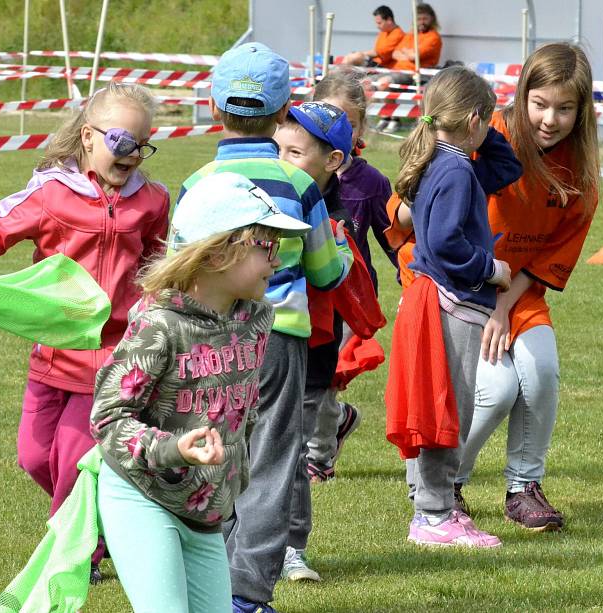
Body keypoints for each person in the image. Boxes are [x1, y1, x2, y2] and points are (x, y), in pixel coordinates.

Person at [0, 81, 170, 581]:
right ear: (88, 136)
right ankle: (105, 515)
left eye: (142, 144)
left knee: (71, 458)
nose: (133, 155)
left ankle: (75, 552)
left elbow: (160, 259)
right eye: (122, 142)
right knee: (33, 455)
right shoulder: (52, 194)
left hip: (115, 357)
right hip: (53, 354)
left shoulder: (152, 200)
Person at [178, 42, 353, 613]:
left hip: (205, 335)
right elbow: (326, 273)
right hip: (279, 339)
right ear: (284, 115)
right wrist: (345, 257)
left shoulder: (198, 181)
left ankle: (198, 572)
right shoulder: (300, 186)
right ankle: (246, 590)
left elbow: (175, 269)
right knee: (274, 457)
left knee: (210, 450)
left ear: (211, 105)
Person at [91, 172, 310, 613]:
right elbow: (107, 418)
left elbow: (242, 410)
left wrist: (233, 479)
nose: (277, 262)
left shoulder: (257, 321)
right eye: (267, 247)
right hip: (142, 494)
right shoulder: (159, 326)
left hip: (204, 510)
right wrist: (173, 448)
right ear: (219, 253)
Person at [454, 43, 600, 532]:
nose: (550, 119)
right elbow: (428, 214)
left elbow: (551, 256)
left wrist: (504, 305)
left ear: (581, 111)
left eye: (564, 108)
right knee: (494, 391)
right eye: (540, 104)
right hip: (460, 287)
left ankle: (523, 488)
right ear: (522, 95)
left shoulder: (581, 170)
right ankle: (445, 483)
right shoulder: (486, 137)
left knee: (541, 373)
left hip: (516, 292)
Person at [384, 66, 522, 547]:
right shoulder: (457, 168)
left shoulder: (444, 160)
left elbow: (507, 169)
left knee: (437, 406)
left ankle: (431, 507)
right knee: (448, 412)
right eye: (487, 120)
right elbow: (444, 244)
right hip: (453, 303)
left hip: (436, 299)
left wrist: (488, 124)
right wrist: (491, 269)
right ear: (472, 119)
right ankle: (434, 516)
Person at [304, 67, 399, 488]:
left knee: (327, 380)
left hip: (350, 301)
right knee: (308, 379)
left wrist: (409, 274)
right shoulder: (299, 173)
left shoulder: (371, 183)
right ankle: (340, 421)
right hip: (306, 295)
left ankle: (319, 458)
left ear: (362, 128)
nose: (336, 129)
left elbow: (393, 235)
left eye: (348, 122)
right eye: (327, 117)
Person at [273, 101, 355, 582]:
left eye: (296, 152)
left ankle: (291, 547)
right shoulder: (263, 190)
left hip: (311, 352)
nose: (282, 161)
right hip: (260, 345)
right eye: (277, 148)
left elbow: (334, 276)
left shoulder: (335, 214)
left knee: (293, 451)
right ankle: (237, 538)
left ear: (332, 162)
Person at [376, 3, 443, 134]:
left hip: (417, 74)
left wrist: (407, 53)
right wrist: (409, 53)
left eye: (425, 18)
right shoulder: (410, 35)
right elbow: (395, 53)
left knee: (384, 83)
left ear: (432, 19)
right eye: (419, 19)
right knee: (370, 82)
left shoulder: (434, 37)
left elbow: (415, 56)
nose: (422, 22)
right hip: (398, 71)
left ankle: (393, 120)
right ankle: (388, 117)